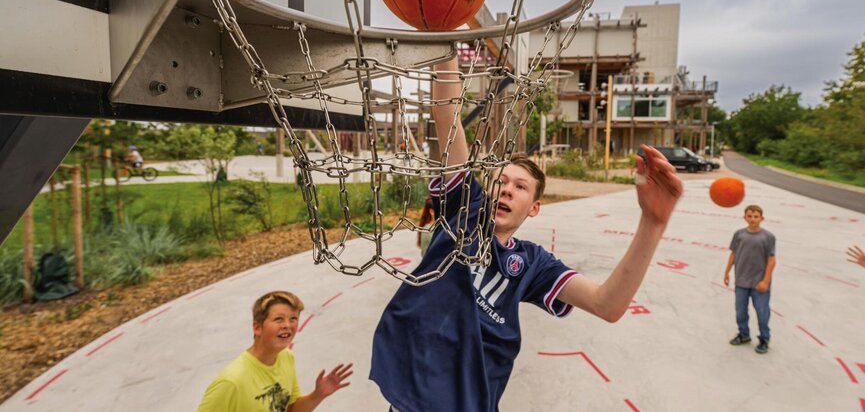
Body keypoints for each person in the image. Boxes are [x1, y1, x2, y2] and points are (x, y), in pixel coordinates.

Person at [370, 57, 683, 411]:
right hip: (415, 393)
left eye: (520, 187)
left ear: (533, 207)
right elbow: (448, 119)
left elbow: (607, 305)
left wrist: (652, 223)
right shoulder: (466, 208)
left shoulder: (534, 263)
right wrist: (445, 46)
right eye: (500, 181)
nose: (506, 190)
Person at [198, 290, 352, 412]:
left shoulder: (286, 357)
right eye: (279, 319)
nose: (287, 325)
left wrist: (318, 395)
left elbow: (291, 409)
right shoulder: (231, 381)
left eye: (293, 319)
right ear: (257, 327)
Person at [723, 204, 776, 355]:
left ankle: (764, 339)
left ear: (762, 218)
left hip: (759, 283)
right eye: (750, 216)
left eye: (756, 216)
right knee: (740, 311)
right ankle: (744, 334)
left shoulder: (768, 237)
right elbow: (733, 254)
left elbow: (772, 260)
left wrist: (765, 281)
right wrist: (727, 272)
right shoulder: (739, 234)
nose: (752, 219)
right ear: (744, 217)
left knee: (762, 312)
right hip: (741, 281)